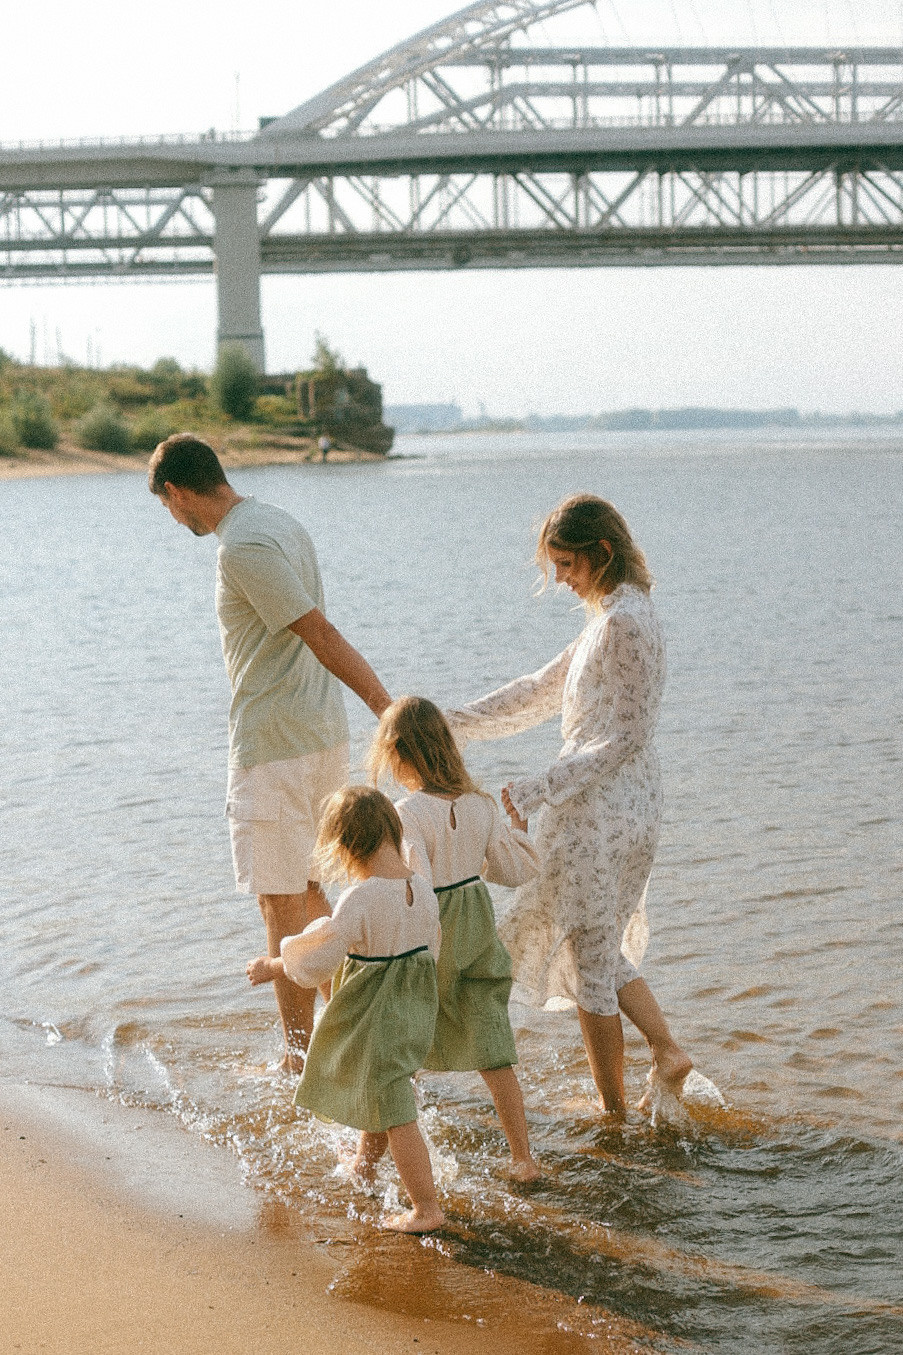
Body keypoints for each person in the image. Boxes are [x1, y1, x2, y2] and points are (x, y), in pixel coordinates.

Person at [149, 433, 391, 1070]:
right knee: (310, 892)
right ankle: (341, 1038)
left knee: (280, 900)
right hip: (318, 735)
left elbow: (316, 630)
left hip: (276, 746)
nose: (173, 520)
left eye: (167, 507)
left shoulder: (243, 547)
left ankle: (297, 1059)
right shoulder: (278, 521)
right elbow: (312, 627)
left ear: (177, 491)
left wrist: (386, 708)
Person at [447, 494, 691, 1117]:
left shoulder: (626, 622)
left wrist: (541, 786)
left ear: (603, 552)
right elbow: (539, 689)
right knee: (596, 945)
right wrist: (451, 724)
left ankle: (615, 1116)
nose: (559, 578)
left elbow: (626, 735)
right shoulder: (612, 615)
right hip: (610, 803)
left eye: (567, 563)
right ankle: (665, 1051)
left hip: (605, 811)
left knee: (590, 962)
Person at [360, 696, 542, 1181]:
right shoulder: (481, 806)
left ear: (398, 754)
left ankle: (365, 1162)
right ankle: (522, 1158)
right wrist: (521, 833)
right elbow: (513, 870)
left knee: (395, 1048)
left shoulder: (407, 812)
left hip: (430, 935)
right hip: (476, 930)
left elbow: (412, 880)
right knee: (493, 1046)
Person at [247, 786, 443, 1233]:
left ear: (348, 847)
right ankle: (363, 1165)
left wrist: (273, 965)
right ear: (392, 832)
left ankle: (426, 1207)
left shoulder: (363, 897)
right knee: (385, 1088)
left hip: (377, 1013)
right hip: (414, 1006)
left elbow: (319, 955)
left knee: (396, 1111)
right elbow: (432, 946)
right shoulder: (421, 886)